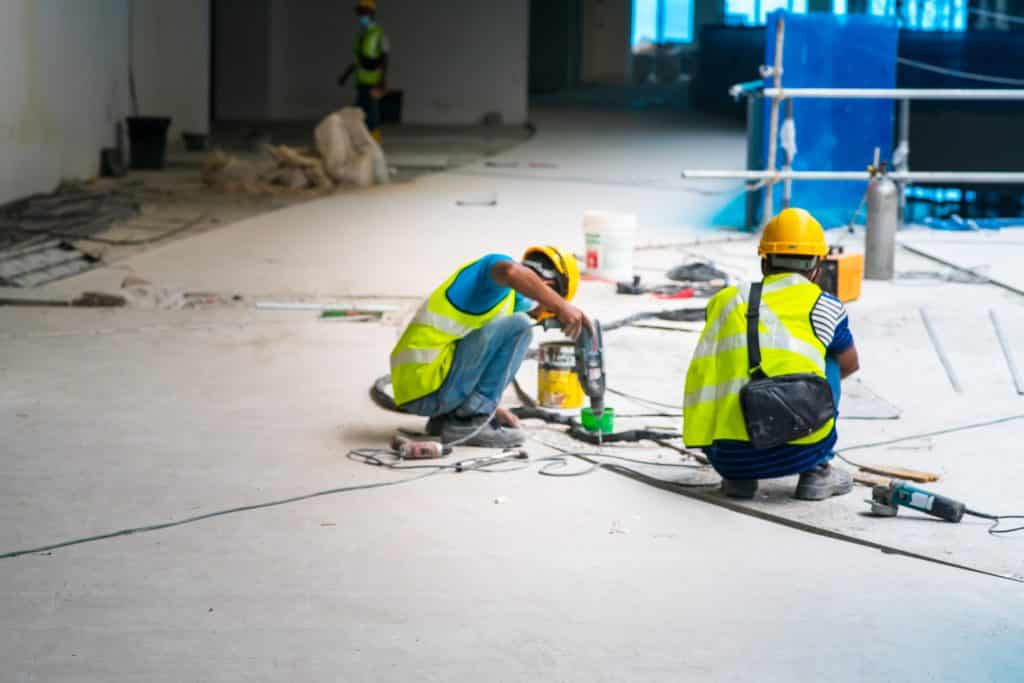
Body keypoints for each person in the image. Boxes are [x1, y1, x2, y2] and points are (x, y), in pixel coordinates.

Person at [683, 208, 861, 500]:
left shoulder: (726, 300)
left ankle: (740, 481)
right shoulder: (826, 304)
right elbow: (851, 365)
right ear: (817, 268)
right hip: (803, 449)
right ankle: (817, 471)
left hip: (729, 456)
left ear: (764, 263)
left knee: (730, 353)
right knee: (829, 356)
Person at [390, 248, 590, 448]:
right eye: (546, 309)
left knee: (513, 324)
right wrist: (561, 306)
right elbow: (511, 271)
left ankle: (450, 419)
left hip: (421, 386)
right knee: (520, 327)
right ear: (547, 287)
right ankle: (469, 423)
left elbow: (470, 353)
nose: (537, 317)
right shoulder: (492, 272)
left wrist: (492, 408)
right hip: (428, 386)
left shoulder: (502, 300)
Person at [339, 0, 389, 143]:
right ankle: (362, 145)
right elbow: (358, 60)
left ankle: (375, 147)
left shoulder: (378, 33)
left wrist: (383, 80)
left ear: (372, 13)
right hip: (361, 81)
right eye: (360, 12)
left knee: (372, 117)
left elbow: (385, 57)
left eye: (364, 12)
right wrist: (346, 75)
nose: (362, 16)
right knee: (359, 116)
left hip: (373, 81)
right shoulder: (361, 35)